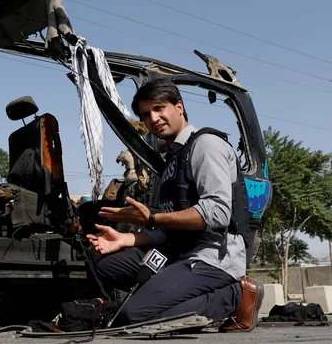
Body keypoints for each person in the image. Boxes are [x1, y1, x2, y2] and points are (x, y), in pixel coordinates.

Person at [86, 77, 263, 331]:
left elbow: (217, 214)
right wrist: (125, 240)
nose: (154, 118)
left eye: (159, 108)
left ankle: (236, 296)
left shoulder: (206, 145)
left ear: (179, 107)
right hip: (178, 253)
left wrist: (151, 218)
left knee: (135, 317)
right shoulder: (171, 161)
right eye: (146, 115)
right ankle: (165, 296)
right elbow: (170, 227)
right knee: (103, 263)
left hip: (210, 258)